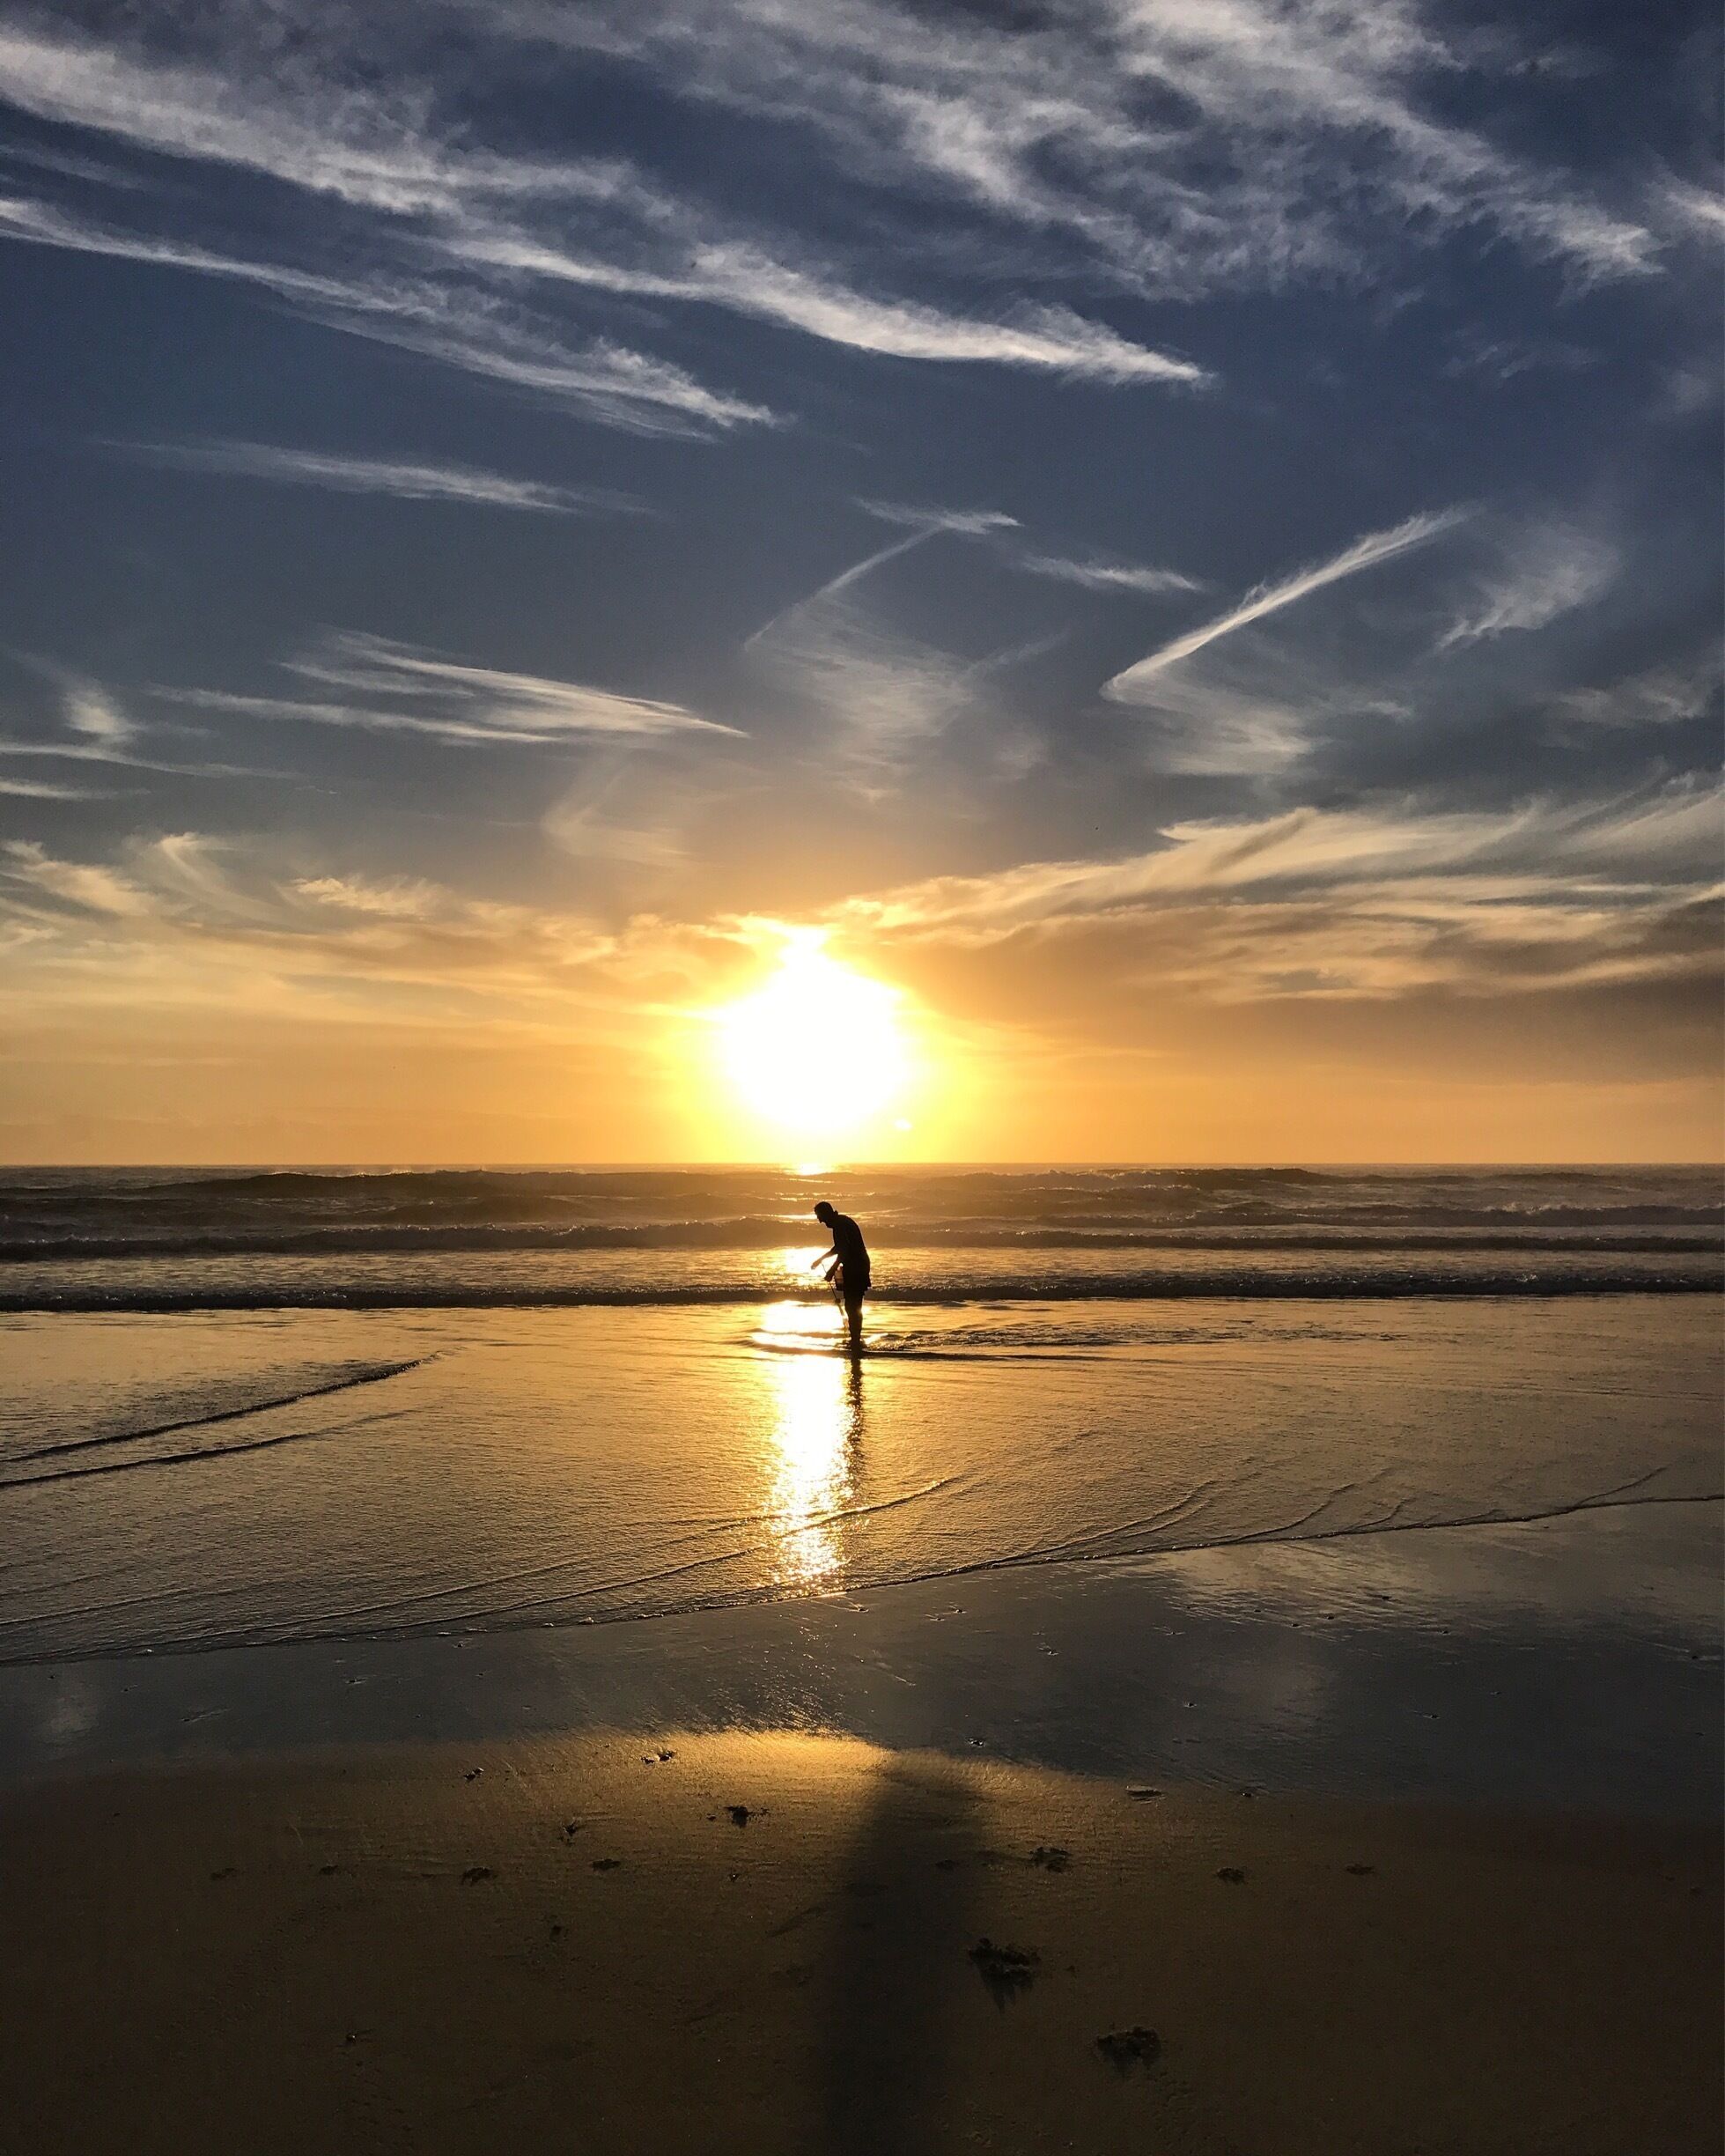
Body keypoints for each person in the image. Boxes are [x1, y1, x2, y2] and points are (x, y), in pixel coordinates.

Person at [809, 1199, 870, 1350]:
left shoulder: (840, 1225)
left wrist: (831, 1270)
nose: (820, 1221)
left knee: (852, 1304)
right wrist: (820, 1259)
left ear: (827, 1213)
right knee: (852, 1304)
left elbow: (844, 1250)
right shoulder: (841, 1222)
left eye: (820, 1217)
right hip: (857, 1265)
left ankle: (855, 1339)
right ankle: (855, 1338)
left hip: (857, 1266)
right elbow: (839, 1247)